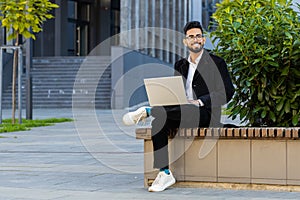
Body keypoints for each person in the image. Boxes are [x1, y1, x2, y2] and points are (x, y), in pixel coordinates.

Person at [123, 21, 235, 192]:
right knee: (158, 122)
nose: (195, 39)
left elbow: (227, 92)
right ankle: (165, 172)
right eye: (191, 37)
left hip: (205, 113)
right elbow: (177, 92)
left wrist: (200, 101)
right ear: (185, 41)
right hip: (181, 112)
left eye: (198, 36)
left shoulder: (217, 62)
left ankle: (148, 111)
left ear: (203, 40)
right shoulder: (180, 65)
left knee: (183, 110)